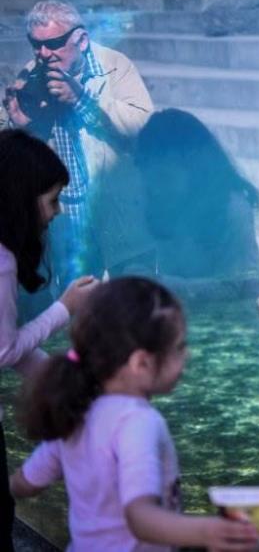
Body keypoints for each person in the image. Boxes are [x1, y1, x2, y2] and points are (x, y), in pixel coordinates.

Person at [8, 277, 259, 552]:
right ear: (141, 362)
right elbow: (140, 518)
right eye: (178, 347)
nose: (187, 355)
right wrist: (207, 531)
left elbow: (25, 483)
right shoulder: (138, 422)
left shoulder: (76, 409)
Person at [1, 0, 154, 290]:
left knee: (135, 302)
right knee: (79, 309)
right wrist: (22, 126)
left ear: (81, 40)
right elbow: (24, 159)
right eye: (35, 44)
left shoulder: (115, 66)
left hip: (118, 207)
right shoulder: (30, 73)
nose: (43, 54)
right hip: (66, 216)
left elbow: (143, 128)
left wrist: (81, 99)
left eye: (54, 43)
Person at [0, 129, 98, 549]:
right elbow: (3, 350)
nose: (57, 211)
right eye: (52, 199)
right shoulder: (1, 260)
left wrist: (61, 377)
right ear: (22, 198)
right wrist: (64, 308)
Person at [135, 109, 259, 301]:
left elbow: (234, 288)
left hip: (236, 323)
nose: (155, 188)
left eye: (164, 177)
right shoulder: (160, 202)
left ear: (194, 167)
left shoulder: (233, 208)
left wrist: (161, 285)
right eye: (148, 177)